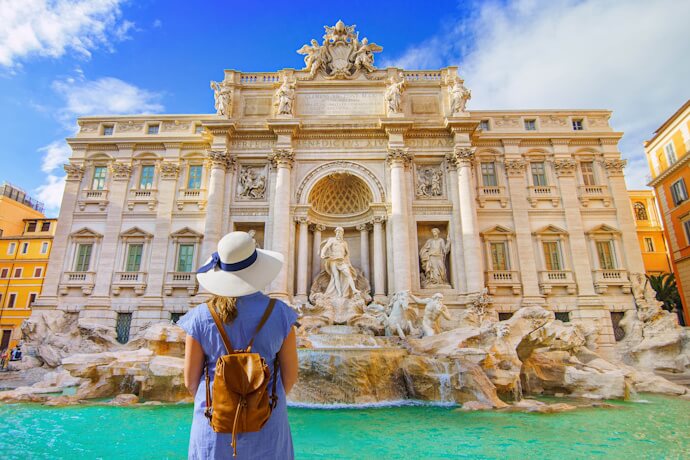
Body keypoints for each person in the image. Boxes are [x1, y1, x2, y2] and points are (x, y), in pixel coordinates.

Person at [178, 231, 299, 459]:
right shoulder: (281, 314)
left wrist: (227, 400)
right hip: (268, 425)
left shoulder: (199, 317)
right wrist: (257, 400)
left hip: (214, 426)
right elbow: (289, 378)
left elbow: (191, 382)